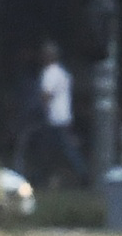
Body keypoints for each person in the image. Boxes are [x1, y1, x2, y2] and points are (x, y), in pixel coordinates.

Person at [32, 41, 85, 187]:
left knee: (58, 149)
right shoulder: (63, 73)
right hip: (65, 116)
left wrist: (41, 110)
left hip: (54, 118)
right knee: (61, 148)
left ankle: (81, 173)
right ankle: (52, 176)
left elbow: (46, 95)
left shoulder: (49, 73)